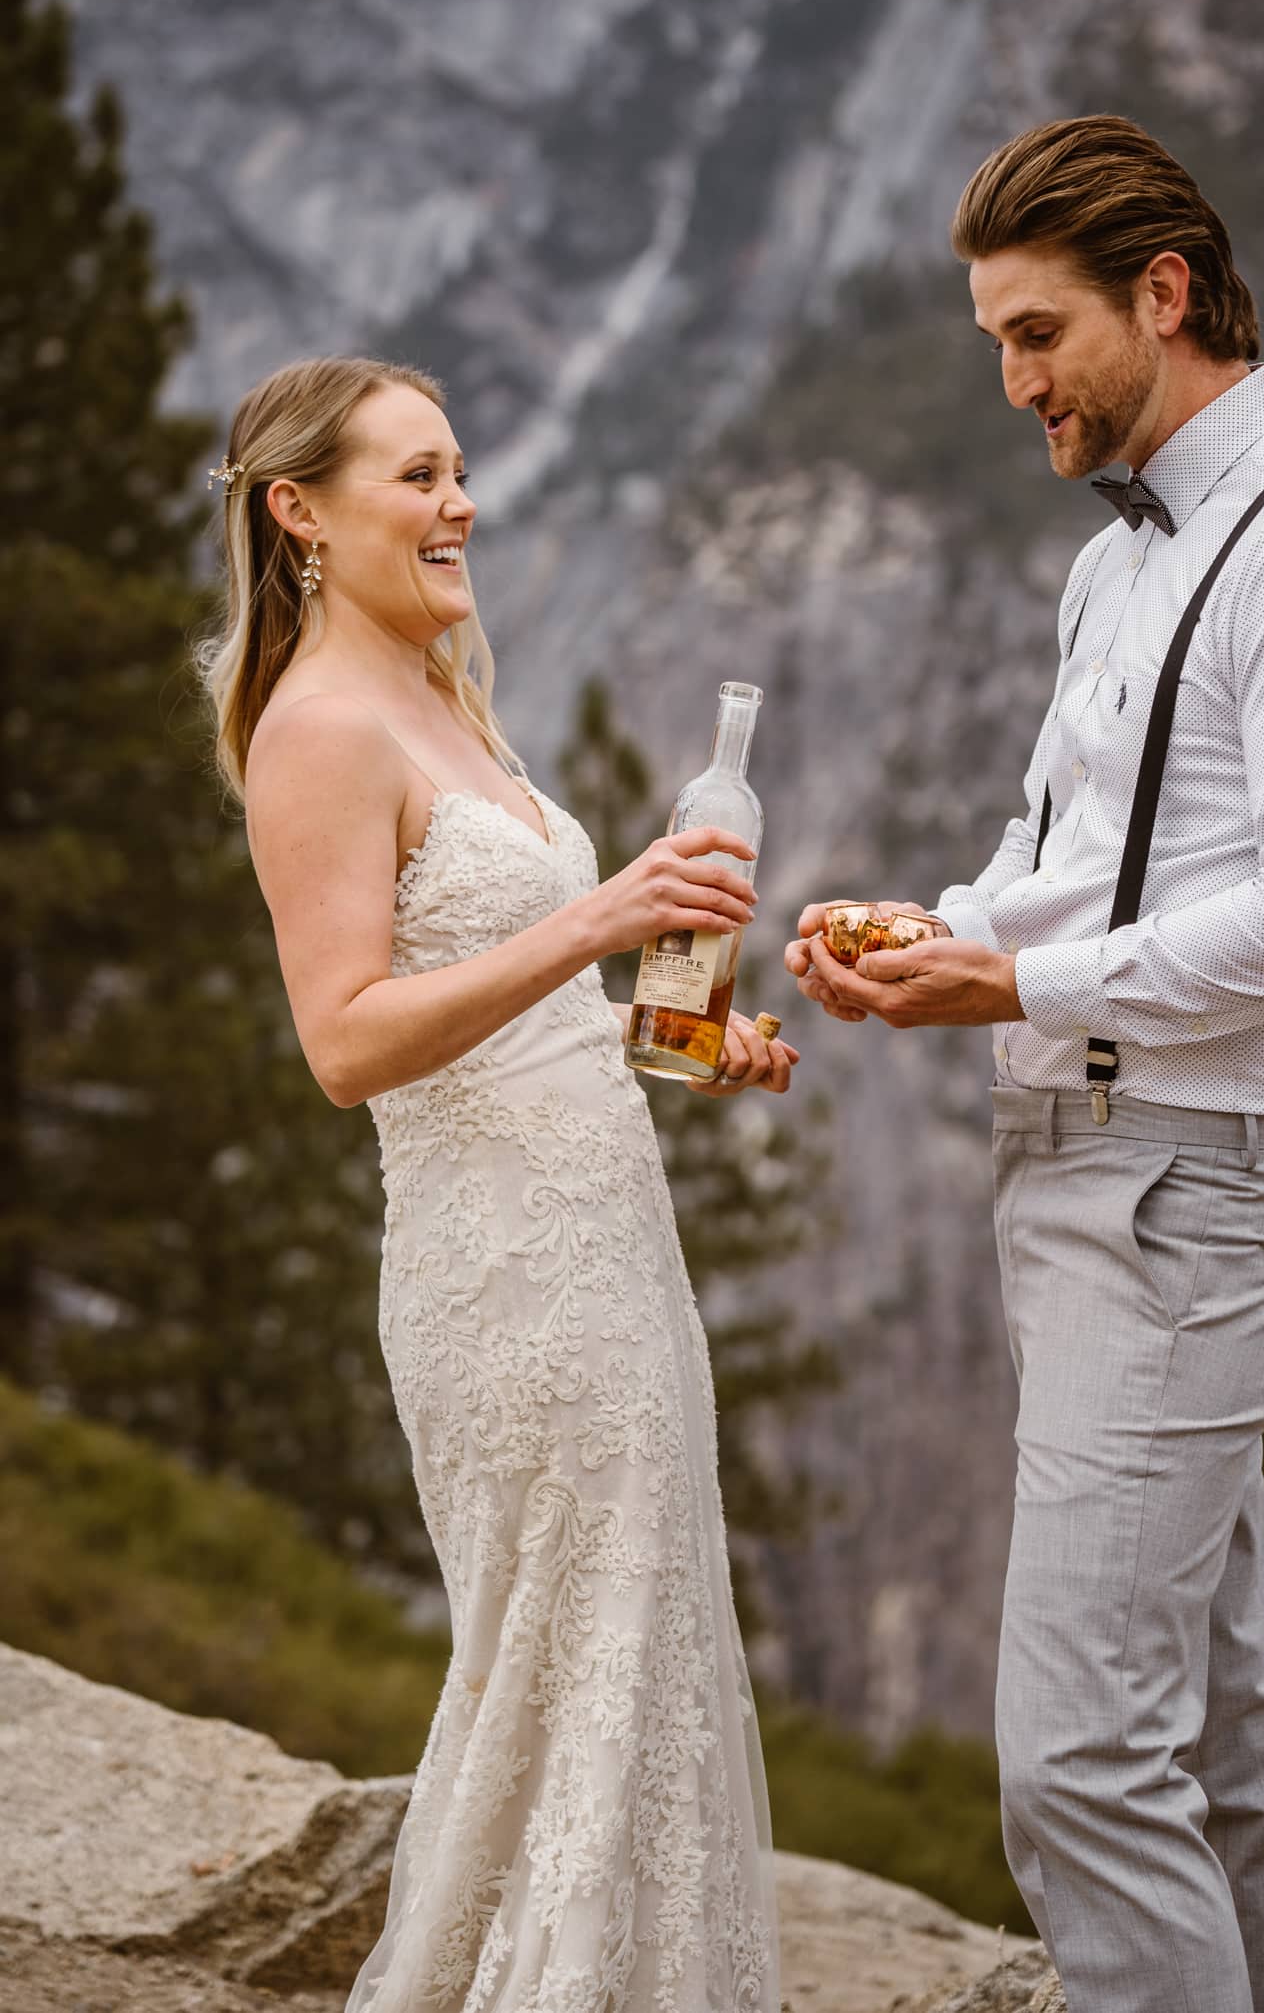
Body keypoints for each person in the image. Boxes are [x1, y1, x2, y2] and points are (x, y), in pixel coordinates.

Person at [787, 115, 1264, 2013]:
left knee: (1077, 1753)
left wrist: (1011, 986)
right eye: (996, 341)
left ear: (1165, 294)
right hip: (1085, 1173)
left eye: (1037, 332)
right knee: (1227, 1697)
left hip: (1184, 1186)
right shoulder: (1114, 566)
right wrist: (935, 925)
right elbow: (1058, 855)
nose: (1014, 384)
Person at [199, 354, 790, 2013]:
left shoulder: (442, 693)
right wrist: (596, 924)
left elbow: (502, 1017)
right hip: (505, 1287)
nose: (458, 503)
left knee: (639, 1667)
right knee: (563, 1674)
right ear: (297, 512)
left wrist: (663, 1031)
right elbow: (348, 1041)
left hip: (612, 1253)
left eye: (459, 469)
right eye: (417, 475)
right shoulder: (316, 727)